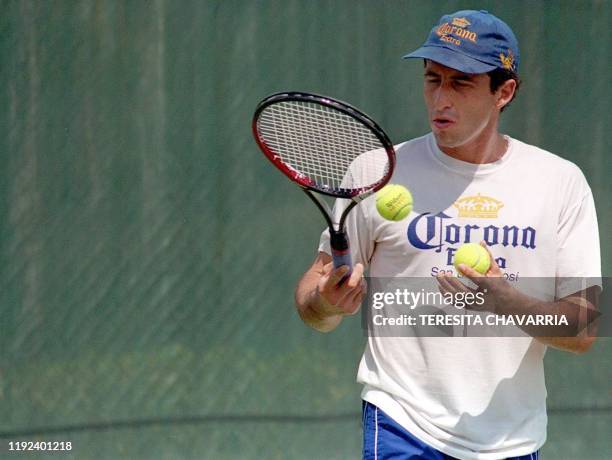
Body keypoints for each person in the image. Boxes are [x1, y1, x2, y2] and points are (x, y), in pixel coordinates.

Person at [294, 9, 601, 460]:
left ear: (505, 91)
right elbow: (313, 302)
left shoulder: (560, 182)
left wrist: (504, 301)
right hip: (402, 422)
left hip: (511, 439)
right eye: (433, 79)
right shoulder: (376, 173)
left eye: (461, 83)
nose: (441, 98)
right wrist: (325, 302)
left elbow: (584, 328)